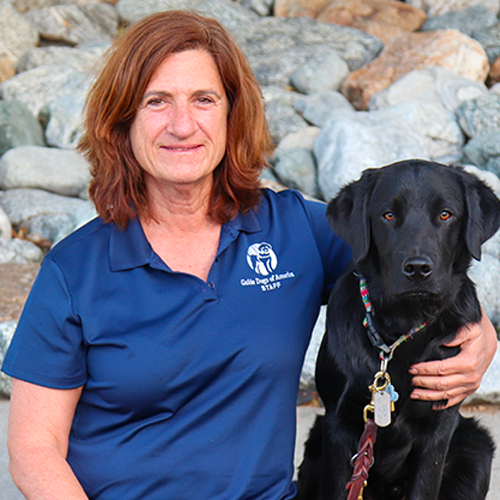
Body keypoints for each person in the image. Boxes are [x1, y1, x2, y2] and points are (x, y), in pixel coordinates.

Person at [1, 10, 497, 500]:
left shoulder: (291, 231)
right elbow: (33, 448)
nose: (182, 124)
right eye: (157, 102)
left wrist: (480, 338)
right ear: (123, 120)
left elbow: (416, 263)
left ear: (231, 113)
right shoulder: (75, 270)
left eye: (203, 99)